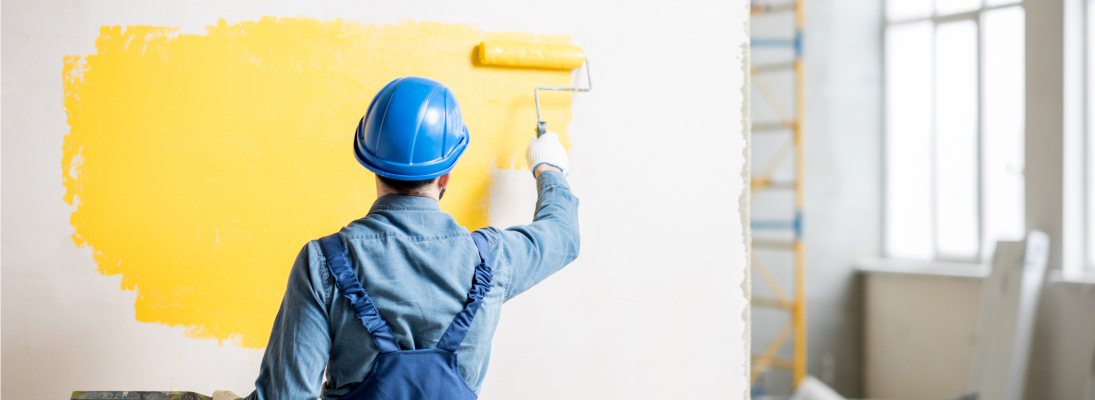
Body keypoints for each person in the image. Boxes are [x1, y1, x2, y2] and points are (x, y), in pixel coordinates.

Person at [215, 76, 580, 400]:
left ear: (372, 163)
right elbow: (562, 236)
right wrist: (549, 168)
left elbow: (286, 396)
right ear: (446, 177)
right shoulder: (493, 259)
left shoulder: (323, 261)